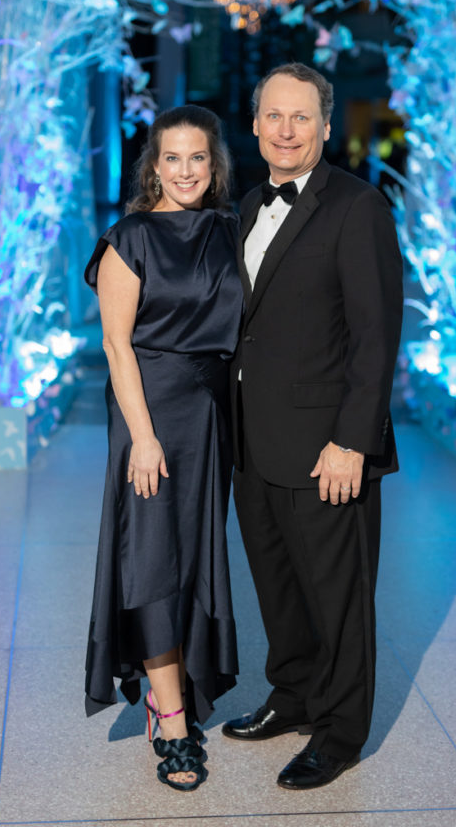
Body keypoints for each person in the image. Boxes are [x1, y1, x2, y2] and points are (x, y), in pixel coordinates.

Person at [222, 63, 403, 790]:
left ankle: (338, 732)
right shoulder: (245, 206)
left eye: (301, 117)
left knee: (338, 597)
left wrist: (352, 441)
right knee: (278, 587)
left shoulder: (358, 208)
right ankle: (292, 694)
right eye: (273, 115)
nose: (286, 130)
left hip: (328, 446)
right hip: (253, 440)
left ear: (325, 126)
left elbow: (375, 335)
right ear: (257, 122)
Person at [83, 105, 243, 792]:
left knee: (194, 557)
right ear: (154, 165)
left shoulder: (232, 231)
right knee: (152, 557)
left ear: (215, 167)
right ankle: (170, 715)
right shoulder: (130, 238)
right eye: (172, 158)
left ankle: (177, 685)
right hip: (151, 413)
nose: (184, 170)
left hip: (213, 417)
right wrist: (142, 439)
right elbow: (117, 344)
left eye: (197, 158)